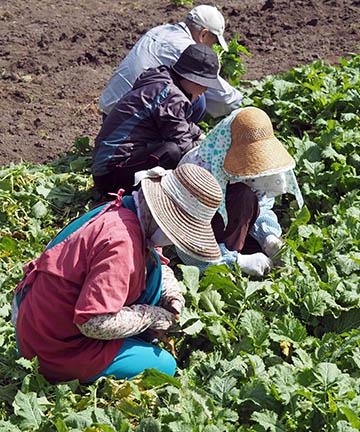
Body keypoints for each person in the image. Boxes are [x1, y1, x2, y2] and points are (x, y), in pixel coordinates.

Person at [11, 164, 223, 384]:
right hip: (52, 349)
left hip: (31, 320)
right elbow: (92, 322)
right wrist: (150, 316)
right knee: (164, 367)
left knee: (155, 279)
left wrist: (172, 294)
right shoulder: (122, 242)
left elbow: (156, 260)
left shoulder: (126, 210)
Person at [178, 107, 304, 277]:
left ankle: (242, 254)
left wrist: (268, 237)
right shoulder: (198, 169)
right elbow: (185, 233)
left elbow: (262, 205)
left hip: (236, 231)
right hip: (202, 241)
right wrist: (235, 262)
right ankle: (225, 265)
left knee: (245, 198)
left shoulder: (261, 168)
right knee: (241, 195)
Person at [92, 43, 222, 196]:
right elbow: (184, 145)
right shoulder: (173, 97)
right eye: (204, 84)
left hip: (108, 163)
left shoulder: (163, 79)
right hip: (110, 174)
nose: (205, 90)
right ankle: (145, 194)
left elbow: (180, 123)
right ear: (193, 79)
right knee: (172, 152)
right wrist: (212, 158)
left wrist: (201, 136)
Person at [99, 5, 243, 120]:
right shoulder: (186, 49)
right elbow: (223, 98)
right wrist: (244, 105)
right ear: (203, 34)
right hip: (129, 119)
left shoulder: (160, 30)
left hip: (110, 110)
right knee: (198, 100)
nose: (211, 47)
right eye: (213, 42)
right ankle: (170, 141)